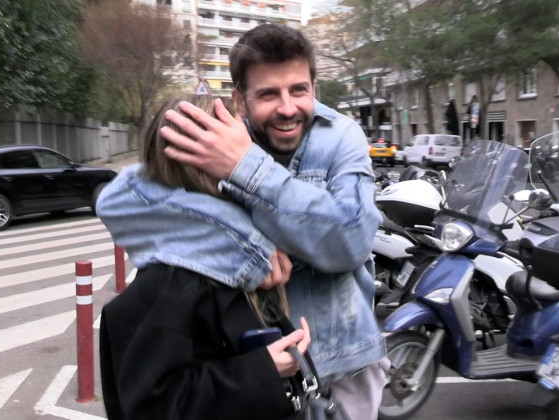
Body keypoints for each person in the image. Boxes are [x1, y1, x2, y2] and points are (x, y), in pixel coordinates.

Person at [159, 23, 388, 420]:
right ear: (240, 100)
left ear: (314, 88)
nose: (287, 107)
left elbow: (350, 241)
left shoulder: (341, 137)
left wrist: (247, 168)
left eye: (299, 89)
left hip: (342, 363)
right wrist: (250, 254)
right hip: (251, 363)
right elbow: (170, 228)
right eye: (268, 94)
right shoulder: (214, 138)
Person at [97, 95, 312, 420]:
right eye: (231, 143)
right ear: (196, 161)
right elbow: (155, 406)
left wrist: (284, 347)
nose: (248, 155)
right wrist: (264, 370)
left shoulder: (235, 247)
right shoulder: (172, 277)